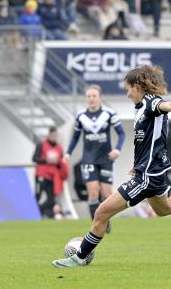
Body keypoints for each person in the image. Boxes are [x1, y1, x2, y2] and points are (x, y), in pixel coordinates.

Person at [52, 65, 171, 268]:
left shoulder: (150, 101)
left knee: (102, 212)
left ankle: (79, 257)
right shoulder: (140, 106)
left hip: (147, 175)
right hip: (151, 171)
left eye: (128, 88)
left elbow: (164, 106)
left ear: (137, 86)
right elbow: (146, 140)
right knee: (164, 208)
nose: (126, 92)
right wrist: (137, 165)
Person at [64, 85, 126, 232]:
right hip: (89, 159)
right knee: (93, 191)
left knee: (106, 193)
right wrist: (68, 152)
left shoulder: (109, 113)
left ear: (100, 98)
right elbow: (75, 137)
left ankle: (106, 219)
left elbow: (121, 133)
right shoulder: (80, 117)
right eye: (89, 96)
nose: (91, 99)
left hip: (106, 159)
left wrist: (117, 149)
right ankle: (96, 224)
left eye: (94, 96)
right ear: (86, 98)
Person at [33, 126, 68, 218]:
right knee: (38, 195)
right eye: (52, 135)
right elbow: (34, 158)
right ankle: (33, 213)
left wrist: (57, 162)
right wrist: (46, 160)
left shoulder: (59, 148)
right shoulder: (41, 145)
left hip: (52, 177)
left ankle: (41, 211)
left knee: (51, 199)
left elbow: (61, 163)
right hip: (41, 175)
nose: (54, 137)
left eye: (55, 135)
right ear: (48, 135)